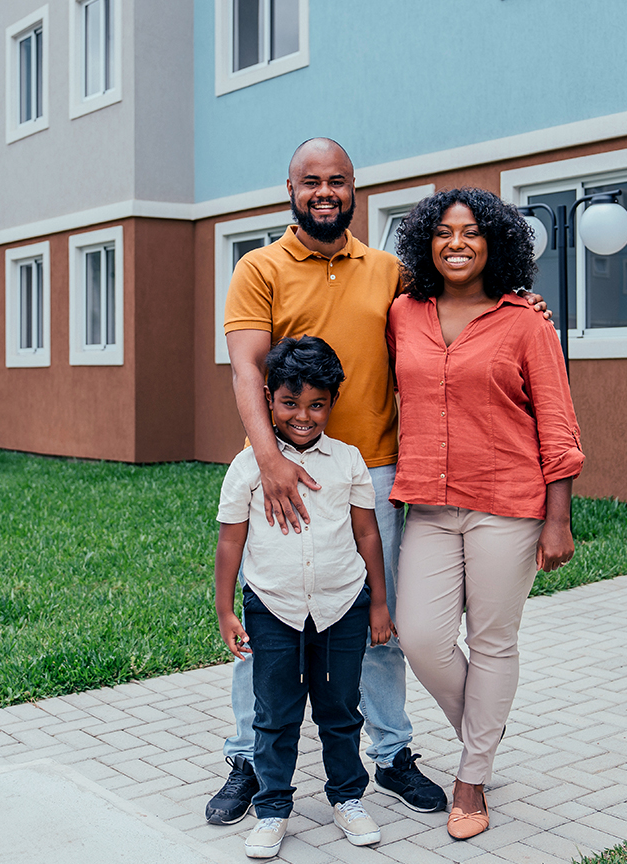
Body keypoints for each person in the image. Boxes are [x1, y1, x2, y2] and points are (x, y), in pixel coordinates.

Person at [208, 138, 448, 824]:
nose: (324, 192)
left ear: (354, 190)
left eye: (337, 181)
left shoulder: (387, 269)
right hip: (283, 469)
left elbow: (454, 311)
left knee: (378, 620)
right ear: (288, 187)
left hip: (371, 468)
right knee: (269, 622)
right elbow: (247, 370)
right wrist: (270, 460)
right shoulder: (258, 267)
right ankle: (249, 760)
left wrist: (524, 304)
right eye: (310, 181)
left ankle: (393, 755)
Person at [386, 188, 583, 840]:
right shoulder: (402, 314)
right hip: (432, 508)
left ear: (494, 242)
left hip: (508, 506)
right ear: (426, 244)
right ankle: (483, 737)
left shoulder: (525, 321)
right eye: (444, 232)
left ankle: (471, 781)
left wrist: (559, 519)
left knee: (494, 642)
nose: (458, 243)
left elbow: (556, 423)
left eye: (472, 232)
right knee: (421, 638)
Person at [214, 336, 394, 858]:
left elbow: (367, 535)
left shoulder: (349, 461)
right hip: (272, 609)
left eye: (316, 404)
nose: (303, 415)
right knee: (275, 714)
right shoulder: (248, 467)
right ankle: (272, 808)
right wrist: (227, 609)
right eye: (290, 403)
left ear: (332, 403)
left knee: (341, 710)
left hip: (342, 605)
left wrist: (379, 602)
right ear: (268, 398)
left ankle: (347, 798)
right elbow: (231, 540)